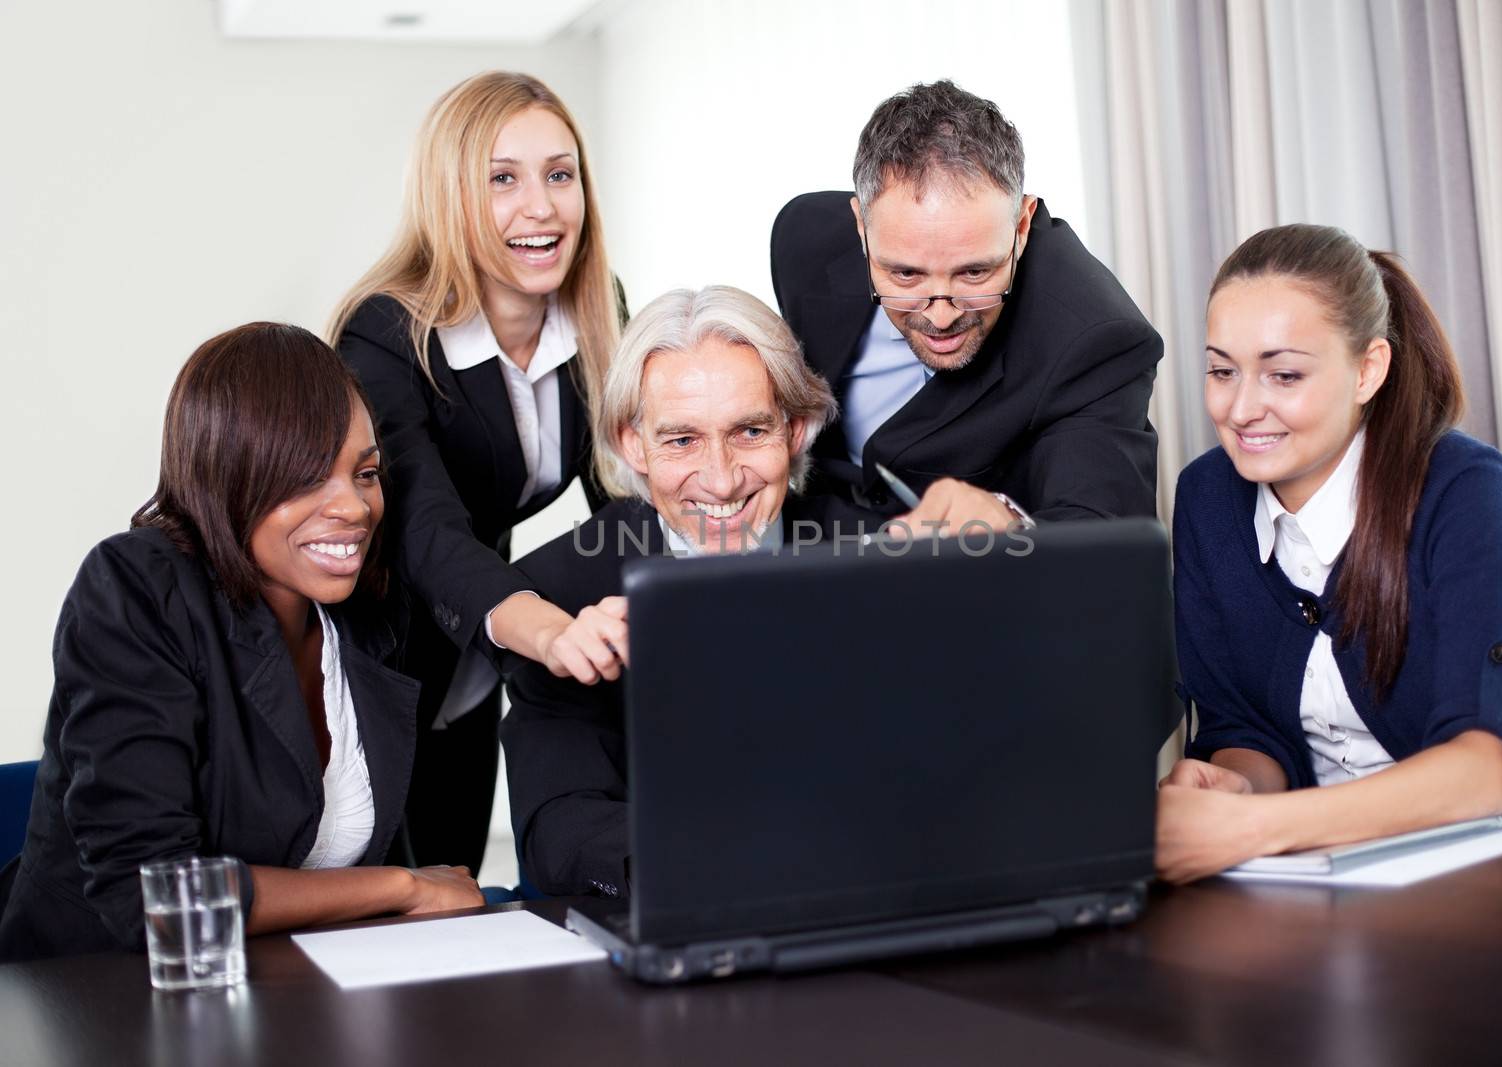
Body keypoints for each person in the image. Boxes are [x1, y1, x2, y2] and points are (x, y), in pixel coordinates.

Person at [0, 324, 482, 961]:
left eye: (365, 473)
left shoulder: (367, 610)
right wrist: (401, 888)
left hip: (290, 994)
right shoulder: (137, 590)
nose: (355, 507)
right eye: (308, 475)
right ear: (229, 476)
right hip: (94, 993)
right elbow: (149, 894)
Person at [1157, 224, 1502, 884]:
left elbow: (1486, 766)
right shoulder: (1207, 498)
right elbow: (1245, 726)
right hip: (1319, 876)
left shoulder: (1462, 488)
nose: (1241, 408)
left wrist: (1257, 826)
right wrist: (1231, 786)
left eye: (1284, 373)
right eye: (1220, 370)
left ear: (1368, 370)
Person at [329, 71, 625, 874]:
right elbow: (421, 524)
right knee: (390, 900)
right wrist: (547, 628)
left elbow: (629, 502)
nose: (542, 207)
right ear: (449, 196)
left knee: (456, 883)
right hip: (380, 659)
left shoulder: (598, 313)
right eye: (503, 179)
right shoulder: (388, 332)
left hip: (477, 658)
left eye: (560, 174)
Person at [501, 286, 862, 898]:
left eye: (749, 431)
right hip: (678, 910)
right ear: (632, 444)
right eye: (681, 440)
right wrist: (715, 870)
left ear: (795, 430)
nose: (720, 481)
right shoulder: (557, 594)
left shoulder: (880, 553)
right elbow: (560, 820)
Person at [770, 79, 1161, 533]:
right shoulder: (804, 242)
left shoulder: (1095, 337)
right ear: (861, 228)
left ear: (1021, 226)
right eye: (906, 275)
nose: (941, 317)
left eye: (974, 274)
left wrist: (1011, 522)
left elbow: (1104, 539)